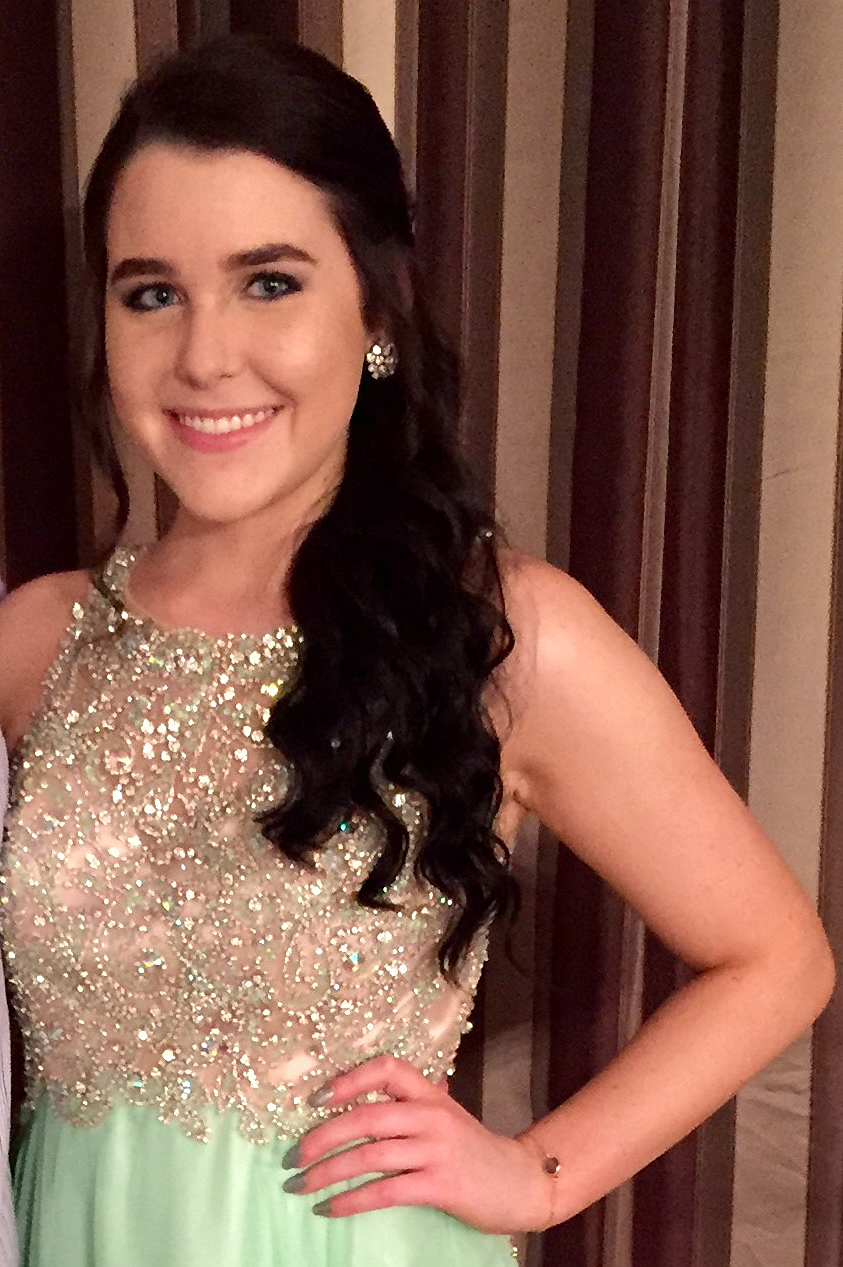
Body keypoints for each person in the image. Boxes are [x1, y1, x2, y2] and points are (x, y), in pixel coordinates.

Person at [0, 32, 832, 1267]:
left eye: (269, 282)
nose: (205, 356)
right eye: (152, 293)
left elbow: (777, 957)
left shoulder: (503, 637)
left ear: (376, 312)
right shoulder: (38, 643)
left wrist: (540, 1173)